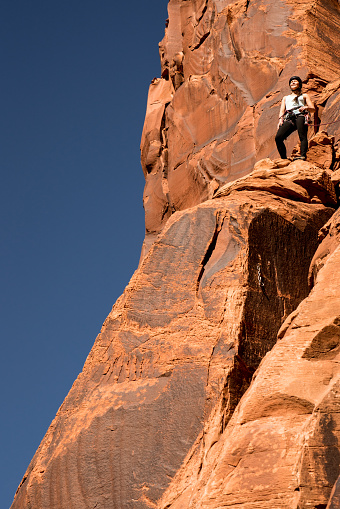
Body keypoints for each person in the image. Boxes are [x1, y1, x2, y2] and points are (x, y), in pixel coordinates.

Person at [275, 76, 315, 160]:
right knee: (278, 137)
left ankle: (303, 156)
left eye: (295, 81)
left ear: (299, 84)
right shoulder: (285, 98)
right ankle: (283, 158)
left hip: (300, 116)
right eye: (291, 81)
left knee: (302, 136)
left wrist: (306, 107)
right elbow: (282, 111)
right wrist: (280, 120)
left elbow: (313, 109)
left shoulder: (304, 96)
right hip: (289, 118)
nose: (292, 82)